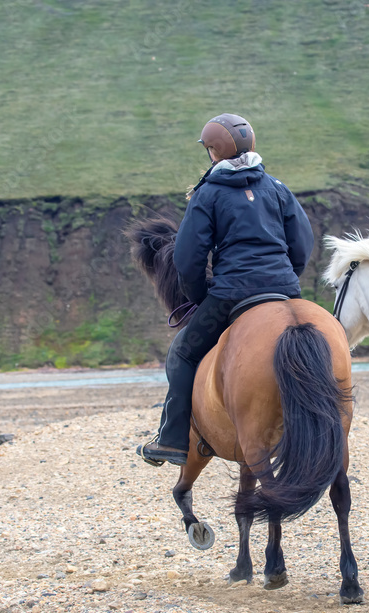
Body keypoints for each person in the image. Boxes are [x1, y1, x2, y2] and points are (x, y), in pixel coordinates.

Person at [138, 113, 314, 466]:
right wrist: (285, 278)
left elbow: (188, 259)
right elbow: (303, 243)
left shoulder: (209, 193)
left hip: (232, 293)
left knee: (183, 353)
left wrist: (200, 296)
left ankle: (173, 439)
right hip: (284, 290)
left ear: (213, 152)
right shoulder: (278, 188)